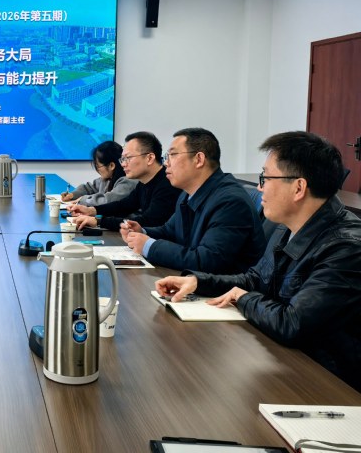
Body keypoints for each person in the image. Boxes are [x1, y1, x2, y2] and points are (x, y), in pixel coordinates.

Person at [156, 131, 360, 390]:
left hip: (328, 385)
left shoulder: (346, 246)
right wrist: (198, 282)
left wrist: (242, 298)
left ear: (298, 188)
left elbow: (293, 323)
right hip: (284, 363)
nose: (260, 187)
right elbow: (255, 279)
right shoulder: (288, 225)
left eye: (266, 177)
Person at [122, 127, 265, 273]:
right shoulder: (188, 193)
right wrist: (143, 231)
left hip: (223, 285)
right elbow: (170, 231)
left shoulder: (230, 202)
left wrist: (149, 246)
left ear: (199, 159)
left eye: (172, 155)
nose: (166, 163)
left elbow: (207, 261)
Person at [70, 131, 180, 232]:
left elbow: (148, 221)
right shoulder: (144, 183)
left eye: (128, 158)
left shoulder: (168, 184)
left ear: (150, 158)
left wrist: (99, 221)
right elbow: (124, 205)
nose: (123, 164)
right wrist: (91, 210)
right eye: (122, 159)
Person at [60, 141, 138, 207]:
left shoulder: (128, 181)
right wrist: (72, 195)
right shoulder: (107, 178)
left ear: (111, 166)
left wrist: (83, 199)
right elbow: (89, 188)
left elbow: (107, 201)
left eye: (98, 166)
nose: (97, 170)